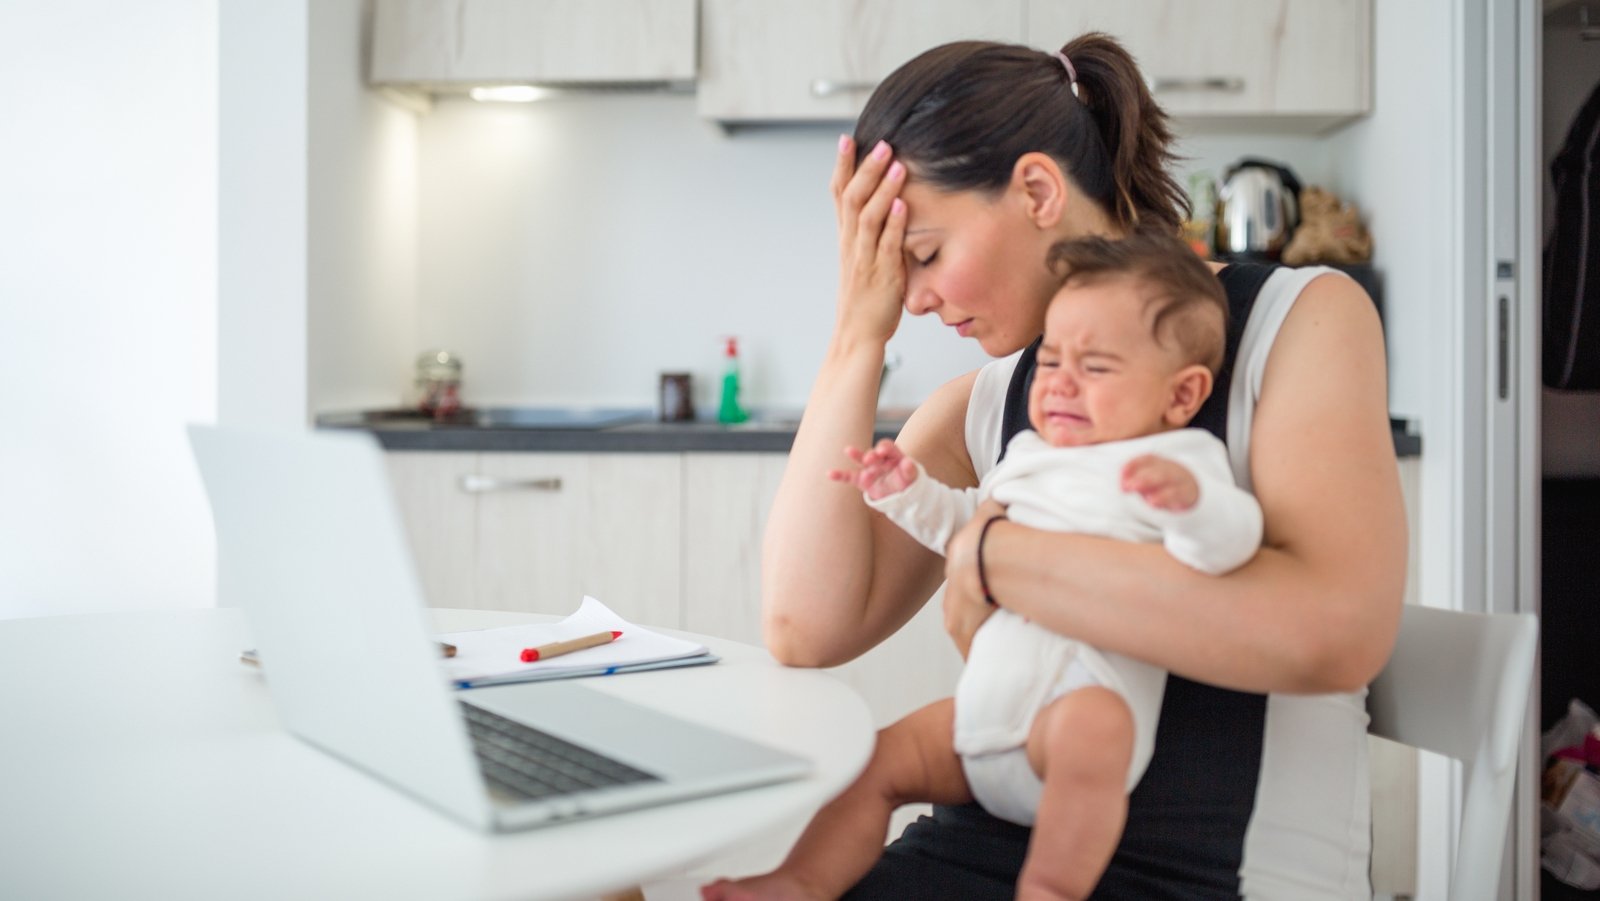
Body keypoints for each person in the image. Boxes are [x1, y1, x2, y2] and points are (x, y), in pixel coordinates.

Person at [755, 33, 1406, 901]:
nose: (911, 296)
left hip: (1209, 878)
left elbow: (1334, 632)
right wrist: (855, 333)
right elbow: (805, 627)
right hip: (977, 852)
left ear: (1036, 190)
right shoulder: (982, 401)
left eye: (925, 255)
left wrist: (993, 556)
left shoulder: (1299, 319)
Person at [702, 231, 1264, 901]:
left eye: (1097, 366)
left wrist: (1191, 506)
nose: (1059, 381)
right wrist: (907, 491)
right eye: (1052, 358)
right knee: (877, 757)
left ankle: (1050, 886)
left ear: (1180, 395)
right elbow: (968, 529)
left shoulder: (1180, 465)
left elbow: (1232, 543)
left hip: (1075, 715)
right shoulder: (1028, 455)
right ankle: (799, 880)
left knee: (1098, 730)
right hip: (984, 713)